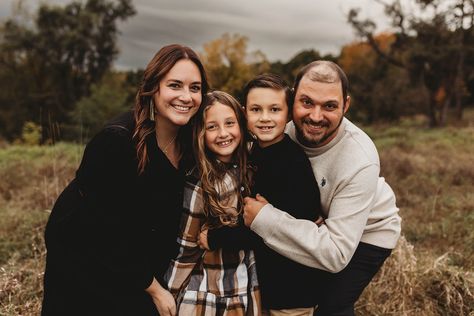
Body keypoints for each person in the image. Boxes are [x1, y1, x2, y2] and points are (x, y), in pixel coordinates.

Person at [41, 44, 208, 316]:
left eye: (195, 88)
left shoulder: (191, 142)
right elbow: (98, 228)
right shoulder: (117, 141)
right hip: (87, 267)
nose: (186, 97)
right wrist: (153, 288)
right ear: (153, 88)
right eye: (175, 85)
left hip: (137, 267)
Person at [242, 61, 402, 316]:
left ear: (345, 106)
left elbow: (336, 254)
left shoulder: (360, 158)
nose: (316, 116)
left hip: (365, 232)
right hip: (315, 222)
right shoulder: (281, 126)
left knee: (330, 304)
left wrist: (263, 218)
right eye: (307, 103)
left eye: (329, 106)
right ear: (293, 98)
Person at [204, 74, 323, 316]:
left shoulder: (291, 162)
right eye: (256, 110)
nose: (265, 118)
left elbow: (265, 230)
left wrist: (216, 237)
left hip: (293, 290)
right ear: (245, 113)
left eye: (275, 109)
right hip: (263, 285)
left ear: (288, 114)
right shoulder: (254, 152)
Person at [163, 91, 261, 315]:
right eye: (212, 127)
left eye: (230, 123)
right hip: (208, 295)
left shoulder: (252, 169)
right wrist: (169, 292)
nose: (223, 133)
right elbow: (186, 248)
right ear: (200, 133)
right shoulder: (199, 183)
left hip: (246, 288)